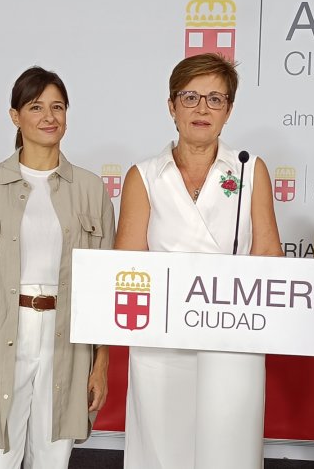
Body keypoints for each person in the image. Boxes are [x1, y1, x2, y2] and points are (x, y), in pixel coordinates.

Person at [115, 52, 283, 469]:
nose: (202, 109)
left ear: (229, 109)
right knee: (161, 451)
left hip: (234, 340)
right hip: (161, 346)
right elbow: (127, 266)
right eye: (190, 98)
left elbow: (268, 255)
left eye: (215, 99)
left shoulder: (250, 169)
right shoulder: (144, 175)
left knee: (229, 451)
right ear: (171, 107)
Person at [0, 66, 115, 469]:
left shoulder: (92, 190)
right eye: (36, 106)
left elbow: (104, 286)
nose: (49, 117)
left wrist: (101, 364)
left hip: (68, 342)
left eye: (57, 107)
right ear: (15, 116)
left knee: (53, 459)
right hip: (4, 333)